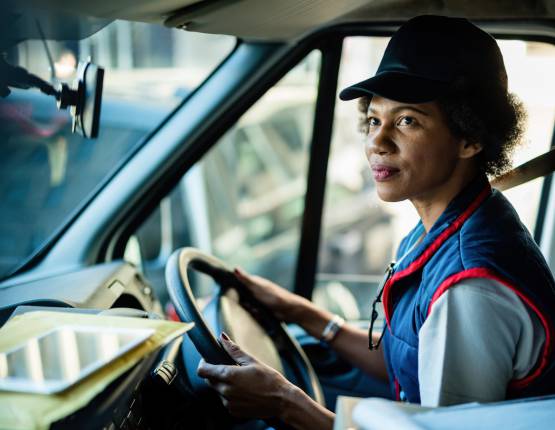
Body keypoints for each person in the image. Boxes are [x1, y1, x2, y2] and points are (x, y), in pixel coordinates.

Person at [197, 15, 555, 429]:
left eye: (407, 120)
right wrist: (299, 311)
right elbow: (404, 360)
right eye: (373, 119)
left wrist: (283, 402)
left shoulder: (469, 288)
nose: (376, 142)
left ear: (470, 138)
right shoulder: (450, 225)